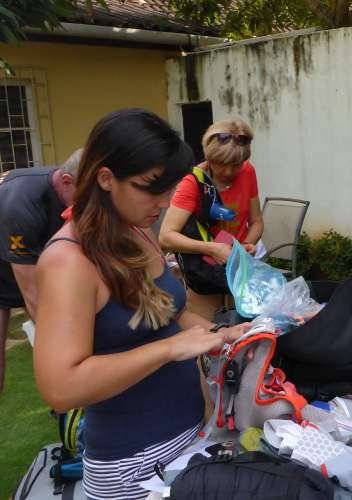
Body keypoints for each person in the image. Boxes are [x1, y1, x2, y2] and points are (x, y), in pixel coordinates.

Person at [33, 109, 251, 500]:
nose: (165, 202)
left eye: (169, 188)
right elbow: (61, 387)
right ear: (106, 178)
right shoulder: (67, 261)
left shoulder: (136, 229)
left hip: (189, 436)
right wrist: (169, 350)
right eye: (152, 188)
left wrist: (224, 333)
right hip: (131, 465)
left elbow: (173, 315)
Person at [159, 118, 264, 320]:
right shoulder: (192, 182)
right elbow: (166, 237)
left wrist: (245, 245)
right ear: (209, 156)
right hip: (204, 273)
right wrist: (212, 249)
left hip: (237, 271)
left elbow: (257, 222)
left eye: (236, 164)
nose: (228, 171)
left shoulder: (248, 172)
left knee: (242, 332)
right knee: (209, 334)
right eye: (221, 163)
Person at [0, 149, 82, 395]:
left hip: (28, 256)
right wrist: (67, 349)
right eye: (88, 195)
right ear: (67, 182)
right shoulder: (22, 203)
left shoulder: (70, 187)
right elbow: (33, 294)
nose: (93, 204)